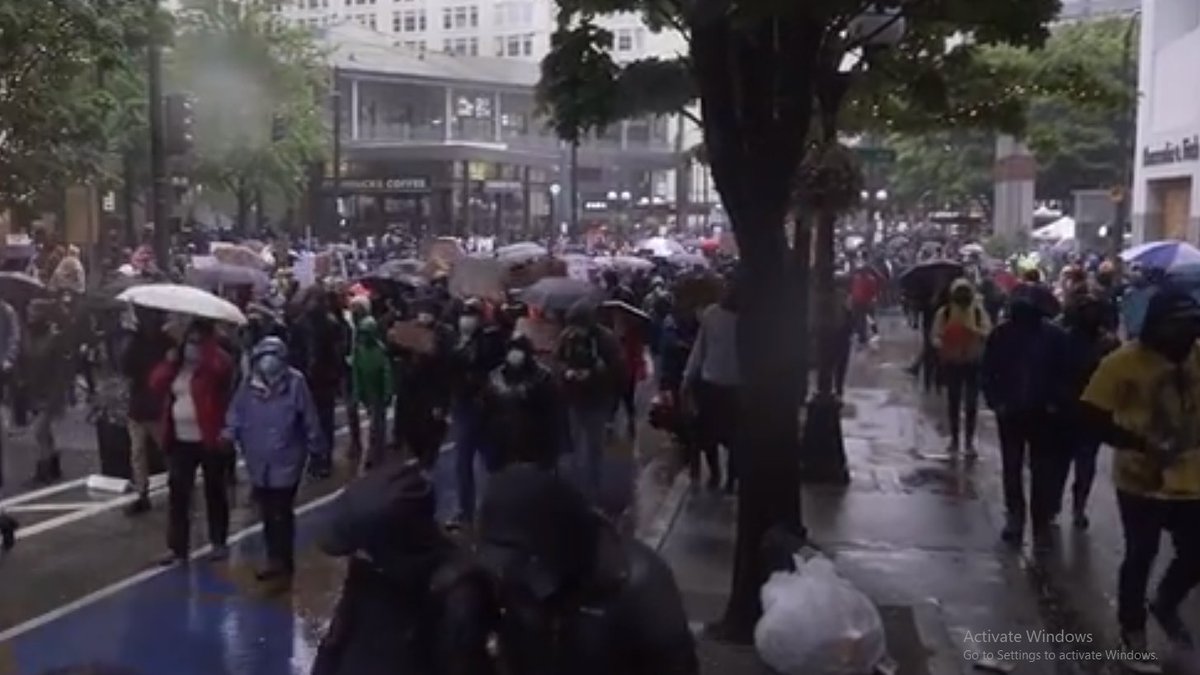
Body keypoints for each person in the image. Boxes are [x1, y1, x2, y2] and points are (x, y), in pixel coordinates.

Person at [478, 465, 698, 675]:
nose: (508, 576)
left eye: (524, 563)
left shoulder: (640, 586)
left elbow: (676, 666)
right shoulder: (513, 584)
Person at [1081, 289, 1200, 654]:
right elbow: (1092, 418)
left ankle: (1165, 602)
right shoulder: (1122, 363)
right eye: (1176, 326)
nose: (1183, 335)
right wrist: (1139, 444)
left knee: (1195, 552)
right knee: (1141, 554)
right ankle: (1132, 630)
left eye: (1191, 326)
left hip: (1192, 478)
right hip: (1141, 480)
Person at [312, 460, 495, 675]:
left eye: (364, 549)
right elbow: (336, 639)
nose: (357, 557)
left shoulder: (457, 593)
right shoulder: (370, 570)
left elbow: (463, 664)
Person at [225, 337, 326, 582]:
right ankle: (274, 557)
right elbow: (236, 413)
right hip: (258, 460)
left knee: (281, 511)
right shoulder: (248, 385)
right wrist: (228, 433)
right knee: (268, 512)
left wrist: (316, 448)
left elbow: (309, 417)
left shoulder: (296, 383)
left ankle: (282, 561)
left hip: (288, 458)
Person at [981, 284, 1070, 547]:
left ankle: (1040, 520)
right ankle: (1016, 515)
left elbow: (1065, 374)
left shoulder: (1055, 337)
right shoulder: (1001, 335)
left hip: (1043, 413)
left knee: (1042, 469)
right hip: (1010, 411)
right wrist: (996, 401)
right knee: (1012, 466)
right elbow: (988, 372)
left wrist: (1056, 402)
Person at [150, 320, 235, 565]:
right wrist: (171, 361)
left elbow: (223, 371)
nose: (192, 346)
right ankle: (177, 547)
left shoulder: (217, 361)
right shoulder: (177, 364)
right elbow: (156, 383)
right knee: (178, 494)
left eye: (198, 340)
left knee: (214, 491)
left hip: (209, 437)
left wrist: (207, 352)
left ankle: (218, 542)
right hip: (180, 439)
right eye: (190, 340)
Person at [1059, 293, 1120, 529]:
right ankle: (1075, 506)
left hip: (1080, 409)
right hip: (1080, 409)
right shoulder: (1105, 344)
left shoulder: (1066, 339)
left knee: (1076, 462)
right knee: (1080, 461)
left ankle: (1074, 506)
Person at [557, 301, 624, 500]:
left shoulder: (606, 340)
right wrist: (566, 373)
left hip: (597, 400)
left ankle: (593, 489)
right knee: (573, 446)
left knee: (594, 447)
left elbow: (618, 371)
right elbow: (558, 360)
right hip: (573, 398)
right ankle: (574, 488)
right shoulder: (567, 338)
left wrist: (594, 374)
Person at [448, 299, 505, 524]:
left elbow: (492, 366)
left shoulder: (490, 340)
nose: (467, 319)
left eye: (471, 314)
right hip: (463, 406)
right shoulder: (456, 341)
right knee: (463, 461)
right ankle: (465, 510)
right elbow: (450, 367)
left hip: (486, 408)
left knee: (491, 461)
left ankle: (495, 506)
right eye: (464, 314)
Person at [683, 284, 739, 494]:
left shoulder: (712, 314)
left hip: (714, 383)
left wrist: (688, 378)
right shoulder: (714, 315)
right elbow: (700, 349)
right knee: (731, 437)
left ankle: (719, 475)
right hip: (731, 385)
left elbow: (699, 350)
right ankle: (727, 477)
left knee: (711, 435)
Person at [481, 334, 562, 470]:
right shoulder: (495, 377)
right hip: (504, 443)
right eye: (512, 349)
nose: (515, 354)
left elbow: (552, 414)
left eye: (519, 349)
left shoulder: (542, 376)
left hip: (534, 442)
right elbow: (487, 410)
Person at [930, 278, 991, 455]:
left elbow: (988, 332)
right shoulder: (945, 313)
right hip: (952, 362)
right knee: (953, 402)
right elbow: (935, 335)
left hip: (972, 362)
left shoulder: (978, 312)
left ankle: (969, 442)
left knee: (971, 403)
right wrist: (944, 343)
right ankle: (955, 440)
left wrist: (972, 330)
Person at [122, 308, 173, 515]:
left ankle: (176, 485)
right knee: (138, 452)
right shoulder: (137, 342)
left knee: (166, 448)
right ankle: (142, 492)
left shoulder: (165, 343)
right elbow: (126, 366)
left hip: (156, 404)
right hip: (141, 403)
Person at [25, 299, 71, 485]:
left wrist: (56, 395)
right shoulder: (30, 335)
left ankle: (43, 470)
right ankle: (53, 466)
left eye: (33, 313)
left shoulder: (54, 338)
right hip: (36, 390)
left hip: (51, 391)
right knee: (45, 433)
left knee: (39, 431)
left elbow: (61, 371)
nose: (30, 317)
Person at [351, 317, 394, 470]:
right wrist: (358, 392)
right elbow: (356, 372)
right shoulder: (359, 350)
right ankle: (375, 451)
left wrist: (388, 392)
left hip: (378, 391)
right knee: (374, 422)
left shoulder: (380, 350)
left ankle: (376, 453)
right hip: (367, 391)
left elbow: (386, 373)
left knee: (377, 424)